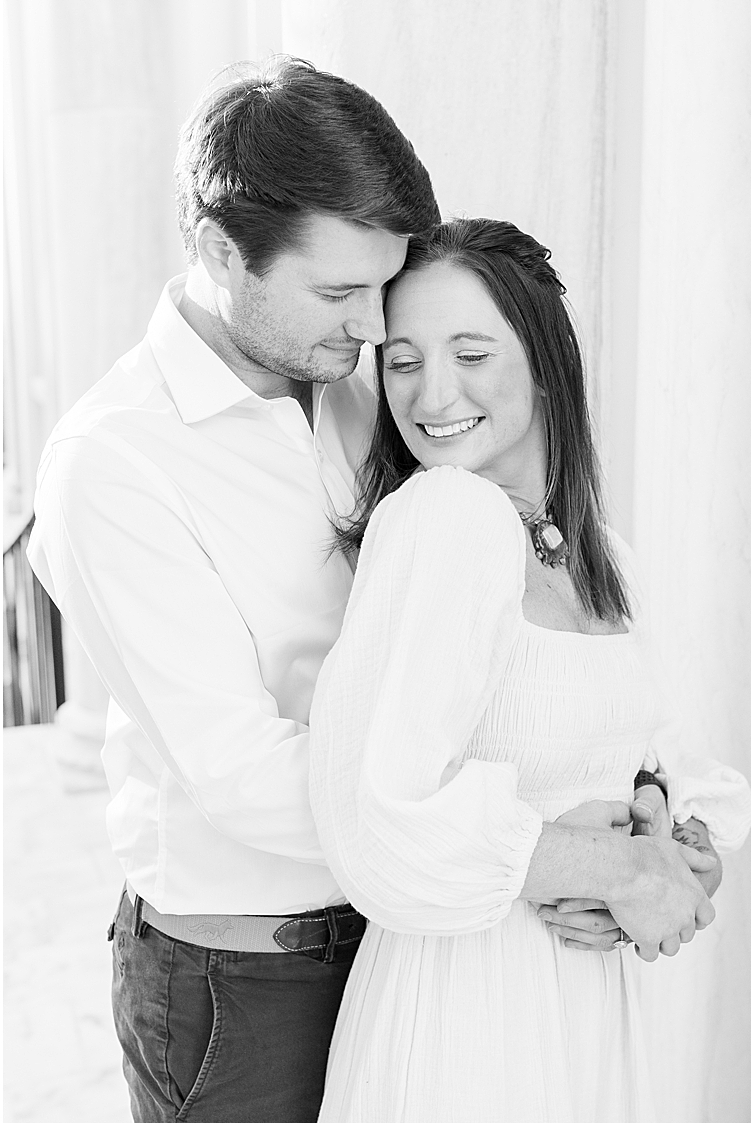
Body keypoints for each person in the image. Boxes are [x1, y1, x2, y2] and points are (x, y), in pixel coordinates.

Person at [26, 58, 722, 1123]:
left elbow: (491, 670)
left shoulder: (368, 381)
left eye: (380, 292)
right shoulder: (113, 465)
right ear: (222, 252)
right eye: (341, 292)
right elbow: (241, 771)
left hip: (436, 937)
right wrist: (574, 853)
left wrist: (631, 806)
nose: (371, 334)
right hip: (253, 980)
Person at [307, 218, 750, 1122]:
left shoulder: (602, 558)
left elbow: (669, 769)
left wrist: (664, 836)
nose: (434, 395)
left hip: (587, 1002)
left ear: (545, 358)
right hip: (475, 1011)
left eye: (472, 353)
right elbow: (376, 817)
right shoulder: (446, 515)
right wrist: (612, 869)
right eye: (402, 361)